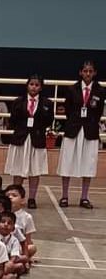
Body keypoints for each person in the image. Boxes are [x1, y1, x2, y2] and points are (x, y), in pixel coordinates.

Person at [57, 60, 105, 209]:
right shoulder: (72, 89)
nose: (88, 74)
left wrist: (89, 122)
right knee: (67, 162)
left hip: (90, 130)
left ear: (95, 73)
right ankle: (65, 196)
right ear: (80, 72)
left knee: (88, 163)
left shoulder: (100, 90)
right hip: (73, 129)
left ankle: (84, 197)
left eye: (90, 71)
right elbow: (68, 109)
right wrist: (76, 121)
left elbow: (98, 111)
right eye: (85, 71)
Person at [4, 75, 54, 209]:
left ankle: (32, 198)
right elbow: (13, 120)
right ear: (27, 86)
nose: (34, 87)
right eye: (31, 84)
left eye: (37, 85)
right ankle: (16, 196)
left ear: (41, 87)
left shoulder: (47, 103)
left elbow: (49, 121)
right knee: (18, 169)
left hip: (37, 139)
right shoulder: (18, 102)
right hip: (21, 138)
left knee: (35, 170)